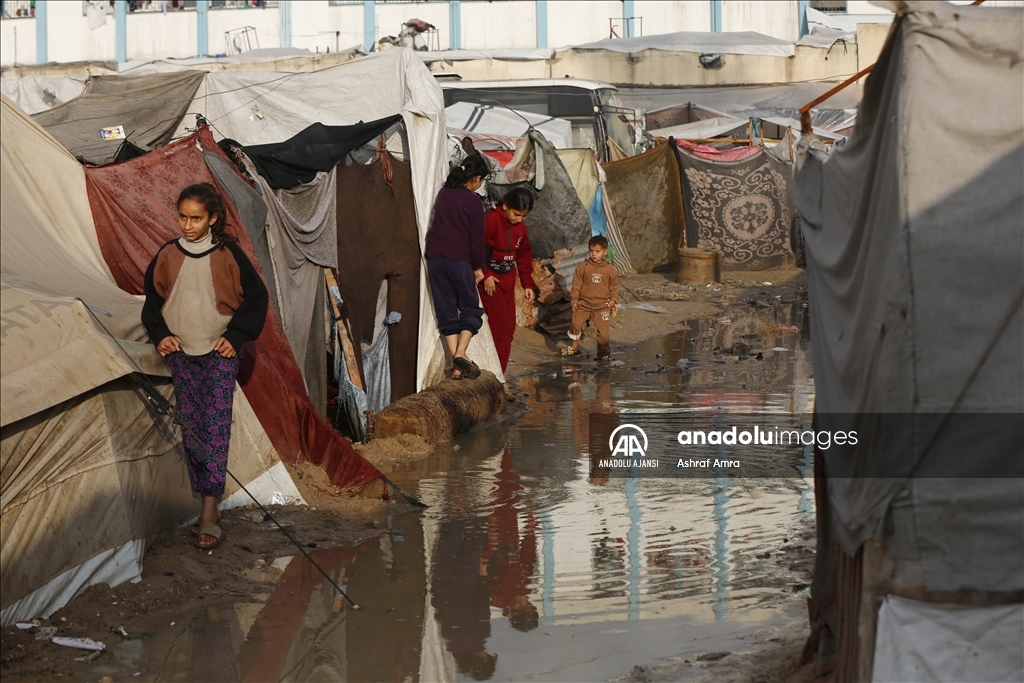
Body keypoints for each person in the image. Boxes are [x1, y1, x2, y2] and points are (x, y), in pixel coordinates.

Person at [142, 183, 268, 550]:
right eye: (182, 217)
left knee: (214, 428)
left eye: (196, 218)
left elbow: (256, 299)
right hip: (181, 353)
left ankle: (210, 512)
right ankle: (202, 499)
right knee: (192, 427)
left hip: (217, 354)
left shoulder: (227, 254)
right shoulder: (167, 254)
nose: (187, 225)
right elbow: (152, 302)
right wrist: (160, 334)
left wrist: (238, 335)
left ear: (212, 218)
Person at [424, 155, 490, 380]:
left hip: (434, 259)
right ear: (477, 178)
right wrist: (479, 266)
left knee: (446, 311)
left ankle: (456, 367)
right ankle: (461, 353)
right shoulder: (472, 201)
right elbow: (476, 240)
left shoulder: (443, 194)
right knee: (471, 309)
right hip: (458, 260)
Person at [479, 187, 536, 399]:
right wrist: (485, 275)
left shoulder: (521, 228)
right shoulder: (491, 221)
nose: (519, 220)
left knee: (508, 329)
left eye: (523, 216)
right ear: (505, 206)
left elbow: (524, 254)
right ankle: (495, 381)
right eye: (516, 214)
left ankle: (498, 377)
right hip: (489, 283)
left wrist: (528, 284)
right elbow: (473, 248)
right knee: (498, 331)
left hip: (507, 282)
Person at [563, 235, 619, 360]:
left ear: (605, 251)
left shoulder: (610, 269)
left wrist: (613, 300)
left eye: (597, 251)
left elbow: (614, 287)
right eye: (591, 251)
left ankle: (603, 354)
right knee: (575, 324)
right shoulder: (582, 267)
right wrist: (574, 300)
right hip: (583, 305)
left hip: (602, 306)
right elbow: (576, 286)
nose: (594, 254)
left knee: (603, 332)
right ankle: (574, 348)